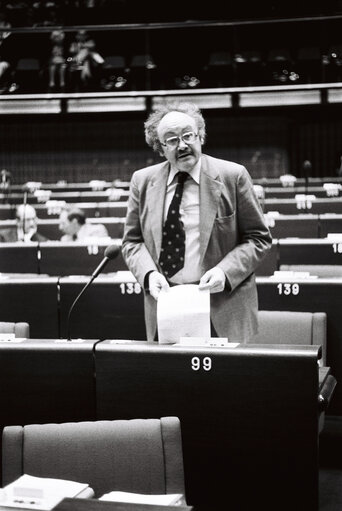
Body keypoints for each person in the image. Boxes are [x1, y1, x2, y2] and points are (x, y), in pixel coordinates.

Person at [122, 101, 272, 342]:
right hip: (167, 308)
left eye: (188, 136)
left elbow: (258, 239)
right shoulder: (142, 181)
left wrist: (225, 272)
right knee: (172, 379)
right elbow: (132, 242)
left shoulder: (233, 176)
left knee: (229, 379)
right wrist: (149, 275)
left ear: (200, 136)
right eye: (171, 140)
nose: (182, 145)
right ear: (160, 148)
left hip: (224, 307)